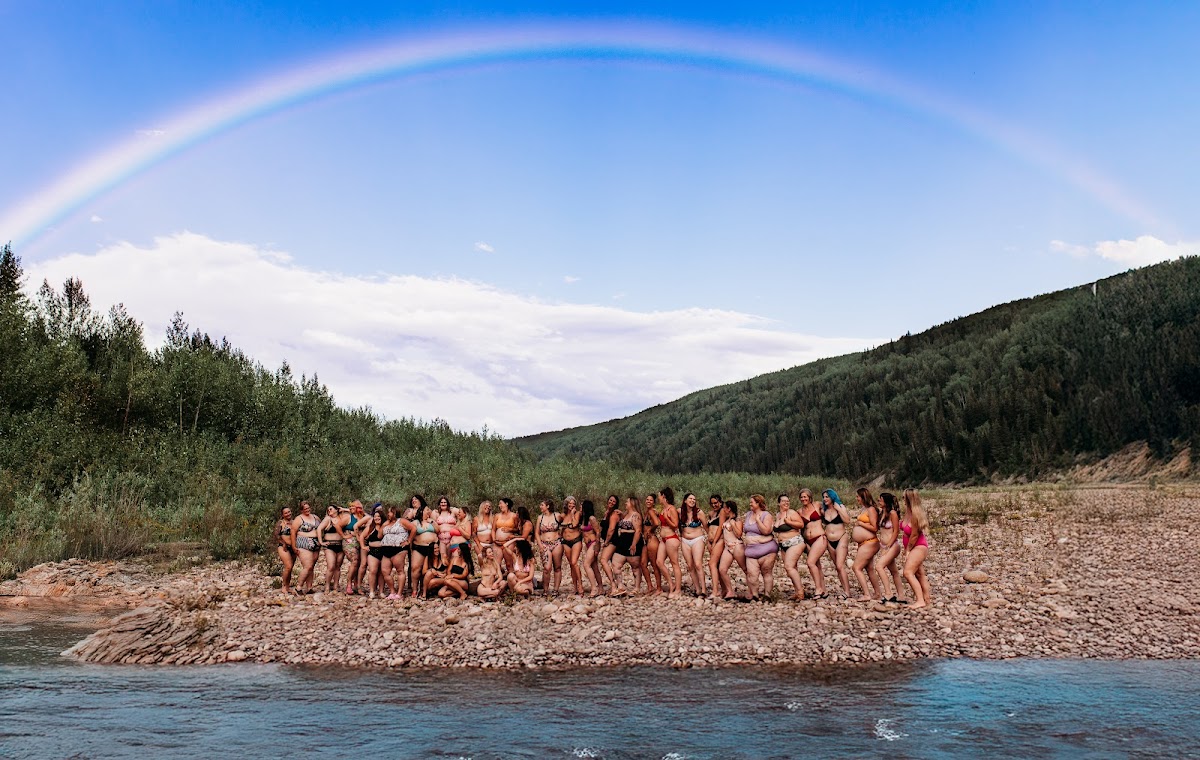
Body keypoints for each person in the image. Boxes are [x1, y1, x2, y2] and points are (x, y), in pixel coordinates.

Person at [851, 488, 885, 601]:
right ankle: (877, 593)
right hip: (864, 543)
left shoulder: (871, 509)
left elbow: (875, 527)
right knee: (869, 568)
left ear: (863, 497)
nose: (856, 498)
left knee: (856, 567)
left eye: (858, 496)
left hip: (870, 542)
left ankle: (866, 594)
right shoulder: (864, 509)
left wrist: (860, 523)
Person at [742, 494, 777, 600]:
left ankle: (767, 595)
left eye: (752, 502)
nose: (750, 504)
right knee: (752, 574)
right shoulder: (748, 514)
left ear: (758, 503)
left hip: (766, 549)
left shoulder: (766, 515)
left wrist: (758, 520)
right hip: (751, 550)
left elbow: (766, 531)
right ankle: (755, 595)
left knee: (766, 572)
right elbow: (745, 529)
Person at [901, 489, 932, 609]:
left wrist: (908, 550)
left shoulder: (915, 515)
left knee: (907, 572)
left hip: (918, 546)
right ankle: (926, 598)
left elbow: (914, 535)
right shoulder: (907, 512)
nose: (902, 500)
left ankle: (920, 600)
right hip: (913, 547)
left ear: (908, 499)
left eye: (904, 498)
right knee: (919, 574)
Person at [774, 494, 807, 601]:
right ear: (779, 503)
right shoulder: (778, 515)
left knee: (789, 567)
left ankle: (801, 593)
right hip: (783, 545)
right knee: (791, 569)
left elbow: (801, 524)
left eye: (788, 501)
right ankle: (797, 592)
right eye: (783, 501)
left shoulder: (791, 512)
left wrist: (789, 522)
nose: (786, 503)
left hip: (794, 542)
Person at [821, 489, 853, 598]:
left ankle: (847, 592)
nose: (825, 499)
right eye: (824, 497)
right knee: (837, 566)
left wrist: (839, 509)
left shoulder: (840, 507)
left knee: (840, 566)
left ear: (832, 497)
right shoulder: (824, 510)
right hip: (830, 541)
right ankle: (845, 589)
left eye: (827, 497)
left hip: (841, 538)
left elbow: (847, 521)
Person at [609, 496, 643, 596]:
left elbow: (638, 530)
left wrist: (634, 544)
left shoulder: (636, 515)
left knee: (635, 566)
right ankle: (620, 586)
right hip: (622, 541)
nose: (625, 503)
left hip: (631, 540)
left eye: (627, 502)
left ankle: (637, 588)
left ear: (632, 503)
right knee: (615, 564)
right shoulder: (626, 514)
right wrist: (621, 514)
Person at [876, 492, 906, 603]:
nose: (879, 502)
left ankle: (888, 593)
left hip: (892, 545)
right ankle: (901, 595)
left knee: (879, 566)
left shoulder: (892, 513)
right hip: (883, 545)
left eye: (881, 500)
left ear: (886, 501)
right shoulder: (882, 513)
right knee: (894, 571)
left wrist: (888, 546)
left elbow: (896, 531)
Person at [381, 506, 415, 600]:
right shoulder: (387, 523)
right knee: (385, 571)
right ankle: (392, 591)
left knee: (399, 570)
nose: (388, 514)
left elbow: (413, 528)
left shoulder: (402, 521)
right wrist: (384, 525)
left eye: (390, 512)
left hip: (399, 548)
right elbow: (380, 535)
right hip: (386, 548)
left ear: (395, 513)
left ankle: (399, 593)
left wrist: (408, 541)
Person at [799, 488, 829, 598]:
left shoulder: (817, 505)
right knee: (817, 565)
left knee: (810, 563)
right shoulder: (799, 511)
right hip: (808, 540)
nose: (803, 499)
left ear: (810, 497)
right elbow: (801, 528)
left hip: (819, 537)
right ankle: (824, 590)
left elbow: (829, 509)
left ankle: (818, 589)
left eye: (805, 496)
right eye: (801, 497)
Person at [656, 487, 683, 598]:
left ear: (663, 496)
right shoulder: (663, 509)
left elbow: (675, 525)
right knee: (659, 562)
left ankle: (678, 589)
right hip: (663, 539)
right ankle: (671, 584)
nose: (658, 498)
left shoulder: (671, 509)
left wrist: (667, 519)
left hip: (671, 538)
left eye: (659, 496)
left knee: (674, 563)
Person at [678, 492, 708, 597]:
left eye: (694, 499)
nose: (692, 501)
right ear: (685, 500)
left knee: (698, 564)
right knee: (690, 566)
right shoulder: (679, 511)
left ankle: (704, 589)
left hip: (697, 539)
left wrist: (711, 540)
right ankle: (697, 589)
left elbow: (706, 527)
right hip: (685, 540)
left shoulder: (699, 512)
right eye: (690, 499)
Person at [717, 501, 745, 600]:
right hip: (728, 547)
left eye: (724, 508)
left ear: (729, 509)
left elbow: (739, 534)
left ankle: (752, 590)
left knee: (745, 569)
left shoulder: (737, 520)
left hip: (737, 546)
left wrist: (733, 525)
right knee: (722, 569)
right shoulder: (726, 520)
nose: (723, 510)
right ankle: (730, 591)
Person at [291, 502, 320, 595]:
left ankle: (309, 587)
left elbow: (321, 528)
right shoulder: (298, 519)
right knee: (308, 566)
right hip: (303, 543)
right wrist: (293, 546)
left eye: (308, 508)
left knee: (312, 566)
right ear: (301, 510)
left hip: (316, 543)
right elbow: (293, 532)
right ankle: (298, 587)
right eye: (305, 509)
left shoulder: (315, 517)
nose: (307, 510)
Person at [410, 505, 438, 598]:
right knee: (415, 568)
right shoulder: (416, 522)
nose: (429, 511)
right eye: (427, 510)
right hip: (419, 547)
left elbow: (438, 530)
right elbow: (411, 532)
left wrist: (432, 522)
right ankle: (414, 589)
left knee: (428, 569)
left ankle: (424, 589)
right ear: (422, 511)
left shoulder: (432, 521)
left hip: (431, 548)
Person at [317, 504, 347, 594]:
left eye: (331, 509)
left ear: (336, 510)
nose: (329, 510)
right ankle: (327, 586)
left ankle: (336, 585)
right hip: (329, 545)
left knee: (338, 566)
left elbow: (354, 514)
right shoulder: (328, 519)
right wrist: (321, 541)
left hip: (340, 545)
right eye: (328, 510)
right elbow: (319, 529)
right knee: (331, 566)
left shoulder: (342, 518)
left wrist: (344, 509)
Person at [560, 497, 585, 595]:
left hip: (576, 540)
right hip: (565, 541)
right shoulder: (563, 515)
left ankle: (580, 585)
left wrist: (572, 514)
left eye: (573, 503)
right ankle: (574, 586)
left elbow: (574, 524)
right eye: (570, 503)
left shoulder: (577, 513)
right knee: (571, 564)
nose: (572, 505)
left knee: (574, 562)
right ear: (566, 504)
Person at [580, 499, 605, 596]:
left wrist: (597, 546)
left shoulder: (591, 518)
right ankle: (601, 588)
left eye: (582, 506)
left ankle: (594, 588)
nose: (580, 507)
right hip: (587, 544)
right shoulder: (583, 519)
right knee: (594, 567)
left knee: (586, 564)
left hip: (594, 543)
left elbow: (598, 532)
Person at [340, 501, 364, 595]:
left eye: (353, 507)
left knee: (360, 563)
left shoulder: (363, 517)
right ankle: (349, 584)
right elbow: (337, 526)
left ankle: (357, 585)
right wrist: (343, 536)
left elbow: (370, 517)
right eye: (350, 507)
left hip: (361, 542)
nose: (350, 508)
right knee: (355, 561)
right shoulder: (348, 517)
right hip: (349, 541)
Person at [641, 494, 663, 595]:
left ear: (654, 502)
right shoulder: (646, 512)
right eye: (647, 499)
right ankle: (650, 586)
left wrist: (650, 530)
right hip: (646, 542)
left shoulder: (651, 511)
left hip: (652, 540)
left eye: (651, 500)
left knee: (654, 565)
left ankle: (659, 588)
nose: (648, 501)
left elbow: (657, 523)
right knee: (643, 564)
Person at [599, 496, 622, 593]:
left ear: (616, 503)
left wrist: (606, 542)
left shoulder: (614, 514)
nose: (611, 502)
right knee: (614, 564)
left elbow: (611, 529)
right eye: (610, 500)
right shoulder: (607, 513)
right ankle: (620, 585)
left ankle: (613, 585)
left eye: (614, 501)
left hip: (612, 541)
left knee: (603, 560)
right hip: (609, 540)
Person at [361, 510, 385, 599]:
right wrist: (363, 546)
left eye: (378, 516)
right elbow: (362, 536)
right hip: (372, 551)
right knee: (373, 571)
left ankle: (381, 591)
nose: (376, 518)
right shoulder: (371, 527)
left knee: (382, 572)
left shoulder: (385, 526)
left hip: (384, 551)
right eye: (375, 516)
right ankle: (371, 591)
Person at [706, 494, 725, 600]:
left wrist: (714, 542)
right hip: (711, 541)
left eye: (716, 503)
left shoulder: (722, 512)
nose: (714, 505)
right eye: (712, 503)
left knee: (712, 564)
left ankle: (715, 591)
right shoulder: (711, 513)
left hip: (718, 541)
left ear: (720, 502)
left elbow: (720, 527)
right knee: (717, 565)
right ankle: (723, 589)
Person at [493, 498, 519, 573]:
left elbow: (518, 529)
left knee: (509, 564)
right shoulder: (497, 515)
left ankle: (511, 577)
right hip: (497, 543)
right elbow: (493, 530)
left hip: (509, 543)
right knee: (496, 564)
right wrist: (494, 539)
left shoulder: (514, 516)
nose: (499, 505)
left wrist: (510, 529)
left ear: (506, 503)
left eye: (500, 503)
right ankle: (498, 578)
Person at [274, 506, 295, 595]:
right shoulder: (281, 523)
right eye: (286, 513)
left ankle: (288, 586)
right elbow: (276, 535)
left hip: (293, 547)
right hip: (283, 547)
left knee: (291, 568)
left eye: (289, 512)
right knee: (288, 566)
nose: (288, 514)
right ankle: (283, 586)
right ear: (282, 514)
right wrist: (283, 543)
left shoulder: (294, 522)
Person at [435, 496, 457, 565]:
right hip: (441, 539)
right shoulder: (436, 513)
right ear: (439, 504)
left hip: (451, 538)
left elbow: (462, 512)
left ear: (447, 503)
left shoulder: (452, 512)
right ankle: (444, 570)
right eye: (441, 502)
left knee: (450, 558)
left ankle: (449, 570)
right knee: (443, 557)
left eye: (445, 502)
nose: (443, 504)